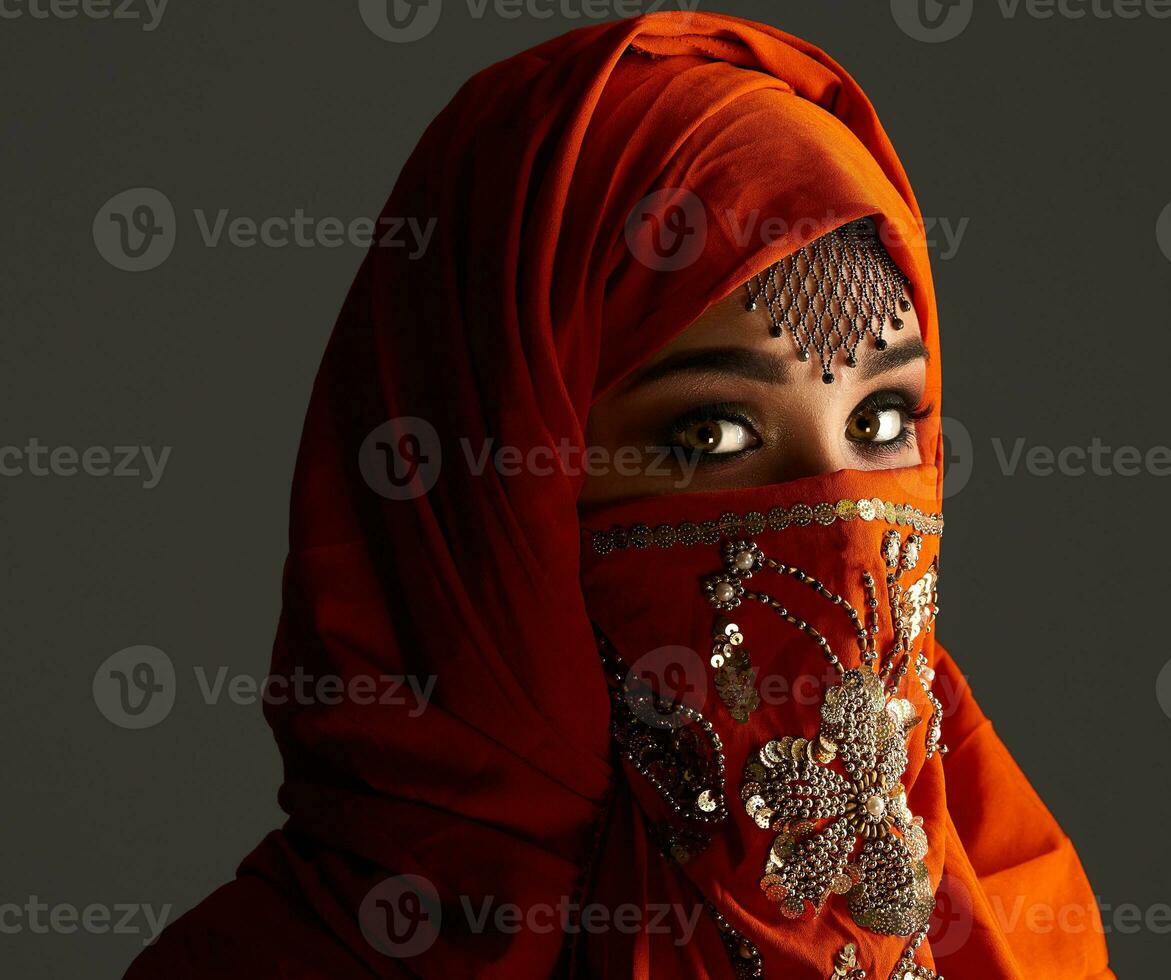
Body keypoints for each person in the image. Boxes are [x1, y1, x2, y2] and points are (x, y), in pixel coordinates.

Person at [127, 11, 1113, 979]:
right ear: (496, 490)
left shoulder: (1015, 929)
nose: (849, 528)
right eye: (711, 433)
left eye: (883, 422)